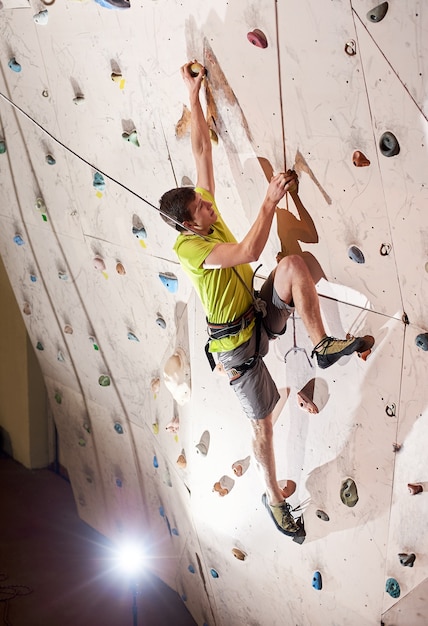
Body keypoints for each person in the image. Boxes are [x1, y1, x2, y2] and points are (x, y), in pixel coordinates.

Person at [159, 61, 369, 537]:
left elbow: (200, 153)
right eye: (202, 209)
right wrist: (269, 201)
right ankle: (274, 501)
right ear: (190, 225)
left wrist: (192, 99)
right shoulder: (194, 246)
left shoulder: (199, 212)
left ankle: (320, 344)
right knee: (264, 428)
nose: (210, 206)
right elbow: (251, 249)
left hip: (253, 312)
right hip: (234, 348)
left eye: (205, 202)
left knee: (295, 268)